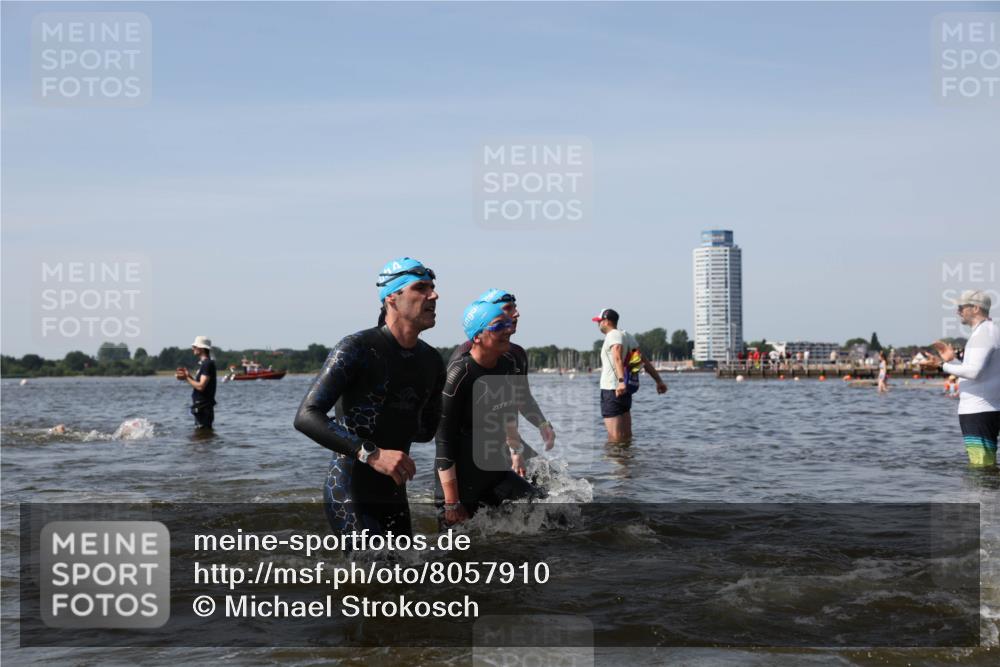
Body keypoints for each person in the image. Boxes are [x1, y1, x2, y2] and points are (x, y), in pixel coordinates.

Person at [294, 257, 446, 539]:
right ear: (392, 296)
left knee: (405, 579)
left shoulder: (432, 361)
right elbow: (306, 416)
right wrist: (372, 454)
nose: (434, 295)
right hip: (350, 489)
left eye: (433, 288)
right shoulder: (357, 348)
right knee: (378, 572)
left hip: (394, 492)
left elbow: (425, 433)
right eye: (421, 288)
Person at [436, 299, 543, 525]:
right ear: (477, 337)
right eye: (497, 326)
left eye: (507, 324)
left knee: (550, 515)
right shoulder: (459, 375)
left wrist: (516, 451)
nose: (507, 330)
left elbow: (507, 415)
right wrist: (451, 502)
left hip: (495, 474)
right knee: (459, 553)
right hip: (460, 484)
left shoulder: (506, 367)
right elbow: (444, 441)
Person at [448, 289, 556, 468]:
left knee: (551, 479)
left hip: (506, 438)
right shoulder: (463, 360)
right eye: (508, 308)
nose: (517, 313)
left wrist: (542, 424)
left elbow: (522, 398)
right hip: (472, 445)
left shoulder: (516, 354)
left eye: (515, 307)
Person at [930, 290, 999, 467]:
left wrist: (941, 366)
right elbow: (980, 369)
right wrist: (952, 360)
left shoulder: (984, 333)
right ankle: (987, 493)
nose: (957, 311)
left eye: (961, 307)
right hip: (986, 408)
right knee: (984, 465)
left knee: (981, 466)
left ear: (975, 308)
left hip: (979, 410)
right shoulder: (988, 331)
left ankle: (983, 495)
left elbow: (974, 372)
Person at [593, 308, 667, 443]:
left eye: (599, 322)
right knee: (626, 438)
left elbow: (617, 357)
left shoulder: (613, 335)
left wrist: (621, 381)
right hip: (624, 391)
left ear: (606, 321)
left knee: (614, 440)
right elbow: (642, 361)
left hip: (613, 389)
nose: (598, 324)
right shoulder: (627, 335)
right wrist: (659, 381)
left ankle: (619, 463)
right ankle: (628, 463)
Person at [176, 336, 217, 429]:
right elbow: (199, 385)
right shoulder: (205, 364)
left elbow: (201, 386)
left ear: (201, 348)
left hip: (203, 407)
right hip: (202, 407)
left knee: (202, 437)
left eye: (195, 346)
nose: (192, 348)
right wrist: (188, 376)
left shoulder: (207, 364)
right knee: (202, 437)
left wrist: (186, 378)